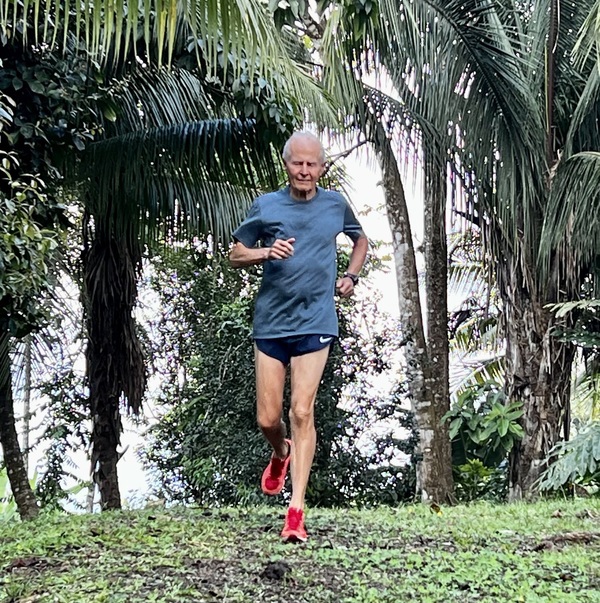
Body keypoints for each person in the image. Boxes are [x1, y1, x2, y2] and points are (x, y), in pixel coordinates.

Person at [229, 131, 368, 542]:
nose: (304, 170)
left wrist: (351, 276)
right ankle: (280, 452)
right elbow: (236, 253)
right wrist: (265, 252)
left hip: (316, 321)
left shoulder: (334, 204)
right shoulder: (267, 206)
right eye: (297, 163)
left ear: (322, 167)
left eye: (312, 164)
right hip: (271, 324)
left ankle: (296, 511)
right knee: (268, 418)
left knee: (302, 411)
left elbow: (360, 239)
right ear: (286, 165)